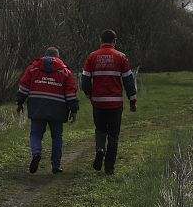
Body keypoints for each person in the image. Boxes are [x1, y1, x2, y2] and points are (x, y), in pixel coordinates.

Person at [16, 47, 79, 175]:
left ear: (45, 55)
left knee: (35, 134)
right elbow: (70, 93)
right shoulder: (65, 72)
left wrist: (20, 102)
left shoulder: (33, 68)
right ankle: (56, 165)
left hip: (37, 106)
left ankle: (36, 153)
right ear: (58, 57)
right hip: (58, 109)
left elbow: (24, 87)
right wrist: (73, 110)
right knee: (57, 137)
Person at [81, 30, 137, 176]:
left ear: (101, 40)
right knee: (113, 135)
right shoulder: (121, 57)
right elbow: (129, 82)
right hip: (115, 104)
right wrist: (133, 100)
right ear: (115, 40)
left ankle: (100, 149)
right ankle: (109, 168)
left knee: (100, 130)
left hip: (98, 102)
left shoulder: (92, 56)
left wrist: (89, 94)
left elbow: (85, 79)